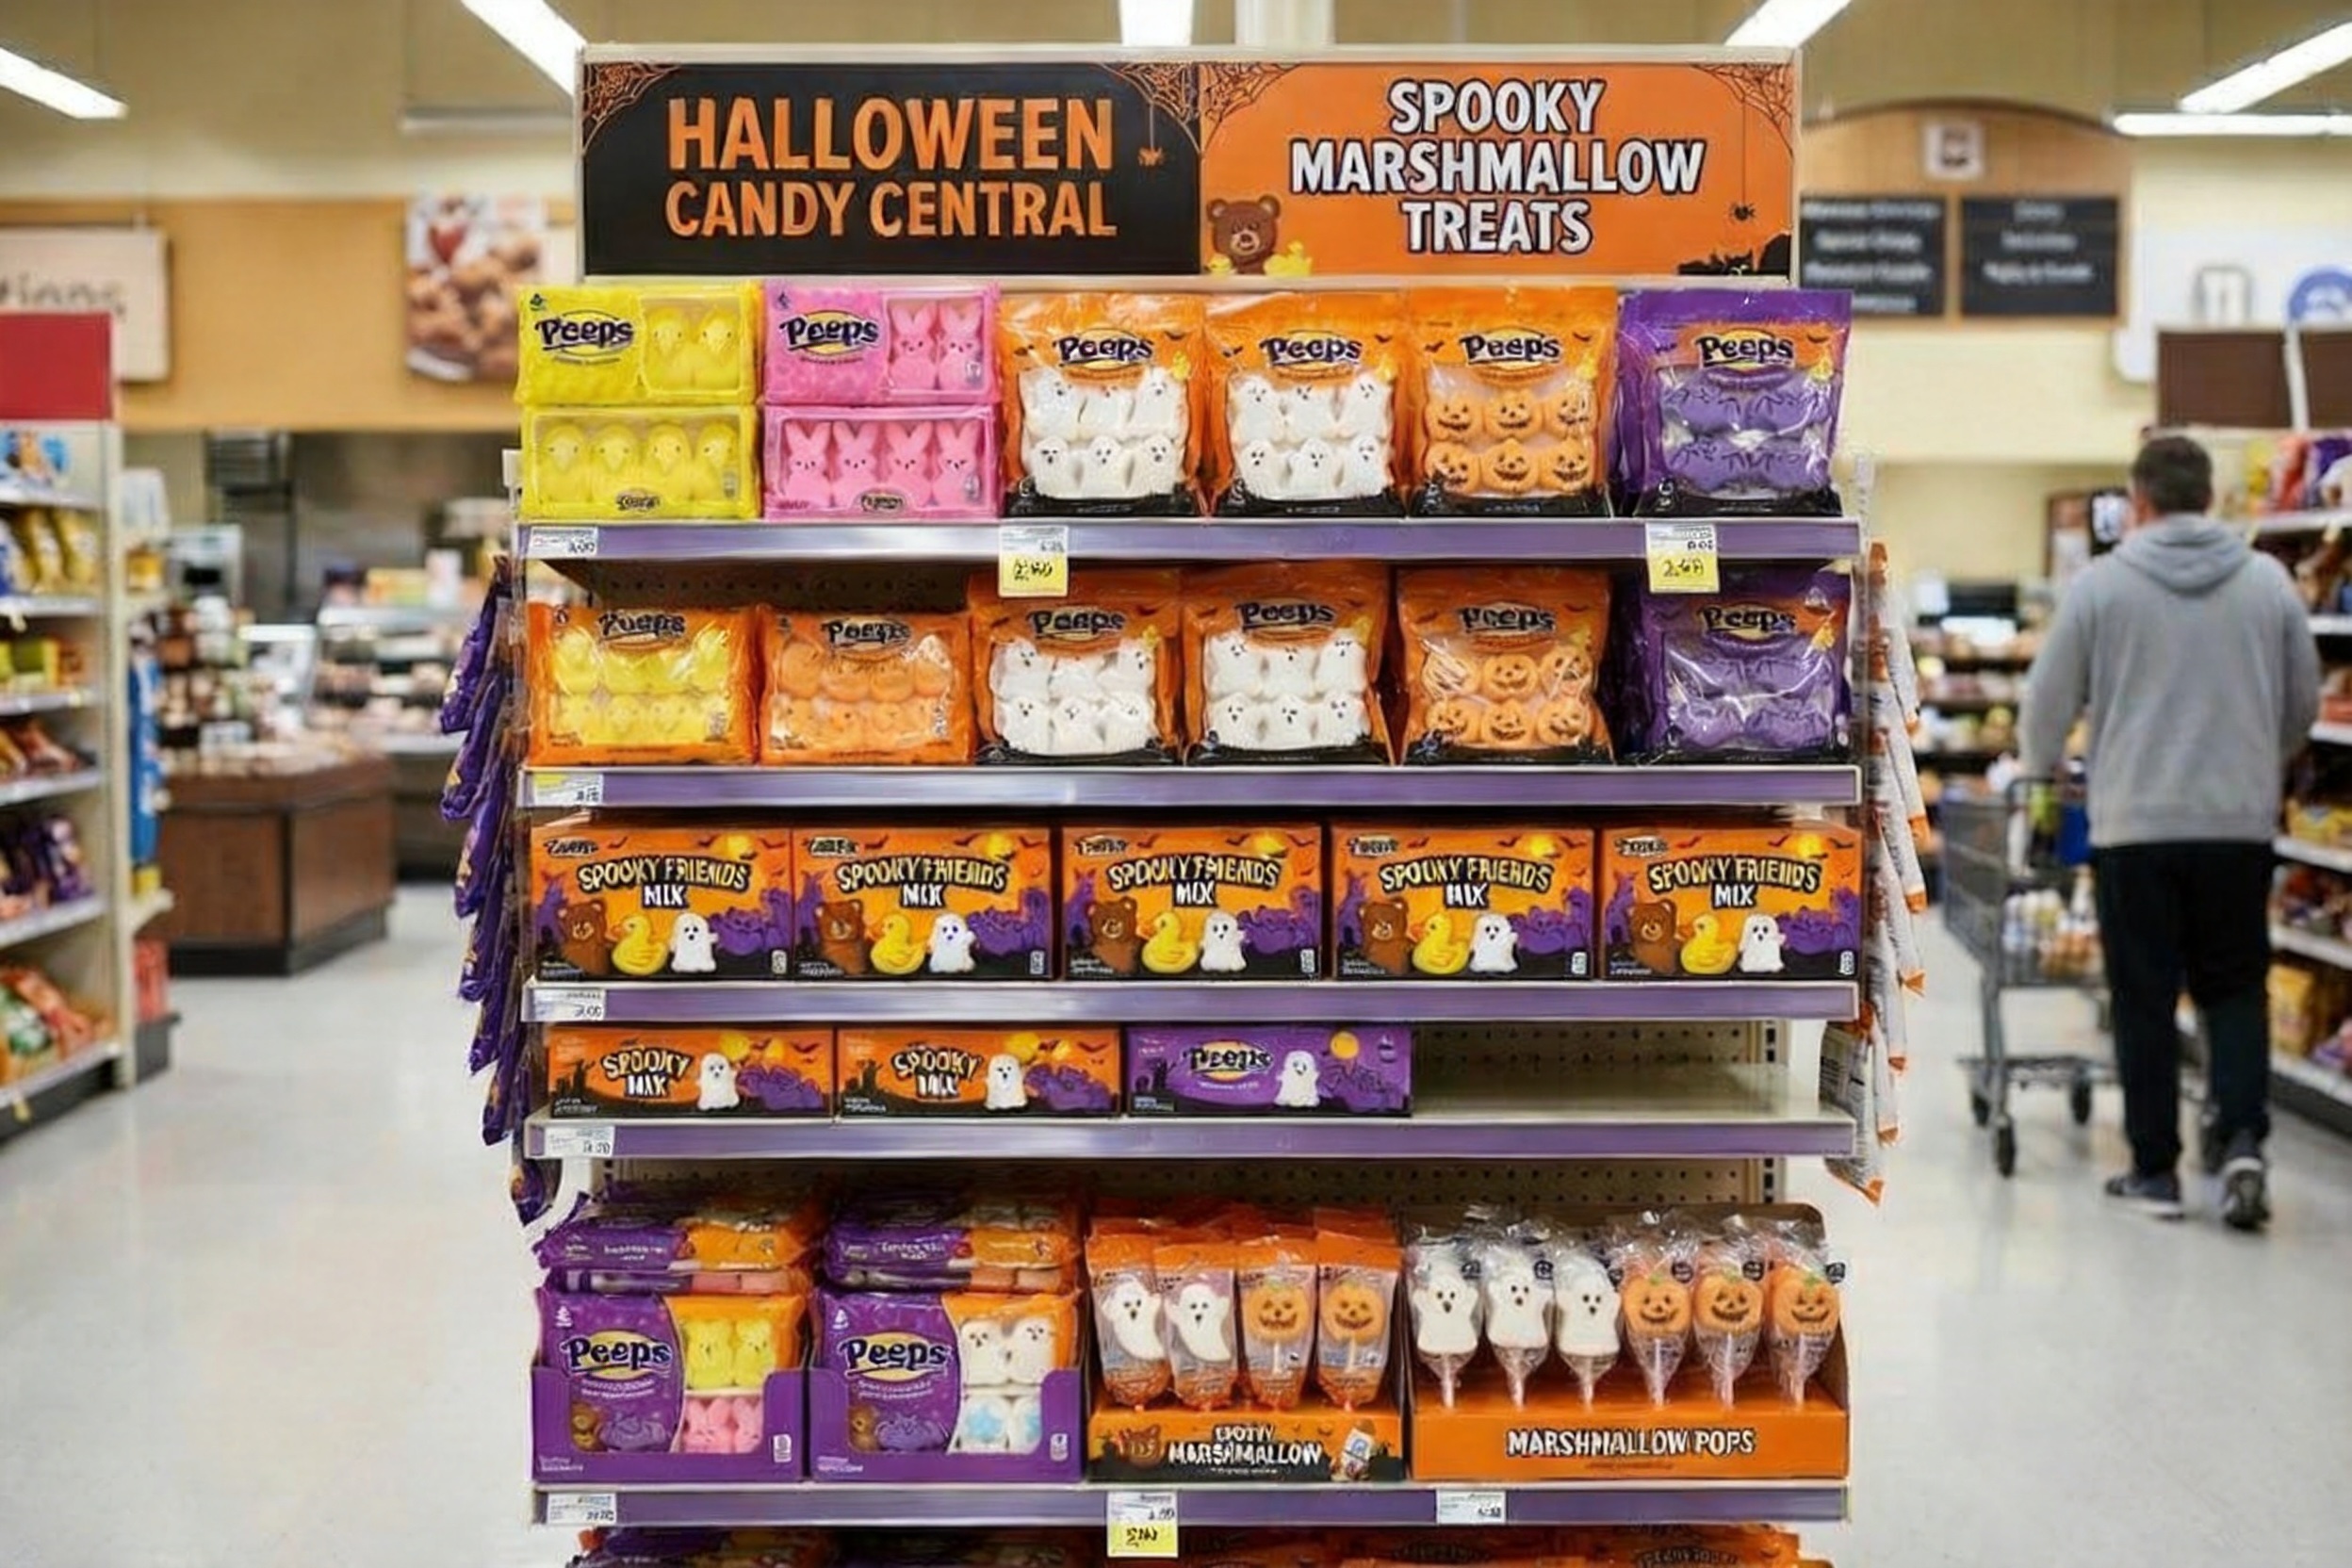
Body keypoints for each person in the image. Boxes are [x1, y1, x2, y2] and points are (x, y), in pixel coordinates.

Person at [2022, 434, 2318, 1230]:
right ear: (2212, 498)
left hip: (2134, 827)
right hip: (2237, 823)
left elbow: (2046, 707)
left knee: (2144, 995)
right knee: (2232, 987)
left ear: (2140, 502)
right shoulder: (2270, 584)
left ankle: (2156, 1171)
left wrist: (2042, 773)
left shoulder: (2101, 587)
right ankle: (2244, 1140)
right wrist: (2261, 763)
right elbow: (2303, 706)